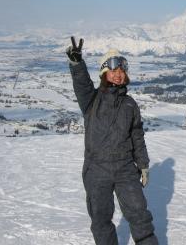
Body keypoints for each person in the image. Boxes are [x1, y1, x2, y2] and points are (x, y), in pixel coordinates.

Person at [66, 37, 159, 245]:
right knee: (100, 219)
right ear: (104, 73)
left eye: (121, 71)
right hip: (96, 168)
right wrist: (76, 63)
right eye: (113, 70)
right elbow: (81, 84)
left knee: (139, 215)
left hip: (126, 167)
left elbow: (137, 136)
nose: (118, 75)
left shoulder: (130, 104)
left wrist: (143, 165)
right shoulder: (91, 100)